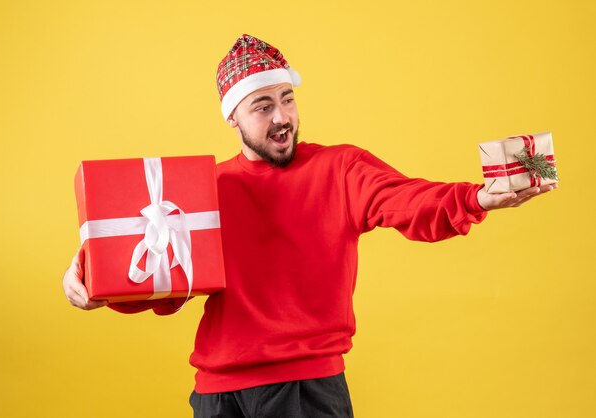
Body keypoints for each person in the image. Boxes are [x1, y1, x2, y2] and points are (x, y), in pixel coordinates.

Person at [63, 34, 557, 417]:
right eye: (263, 106)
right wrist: (87, 276)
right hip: (216, 394)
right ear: (232, 118)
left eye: (288, 99)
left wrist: (477, 197)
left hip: (306, 390)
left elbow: (408, 201)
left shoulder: (340, 169)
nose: (283, 117)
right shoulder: (205, 189)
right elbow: (164, 283)